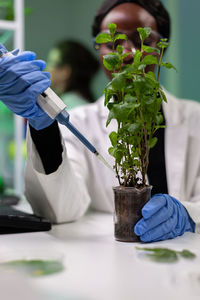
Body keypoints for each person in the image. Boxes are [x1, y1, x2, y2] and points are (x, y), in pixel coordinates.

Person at [0, 0, 199, 242]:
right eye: (113, 42)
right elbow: (60, 210)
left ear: (161, 48)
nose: (128, 53)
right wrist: (44, 128)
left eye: (142, 41)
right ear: (99, 50)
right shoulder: (81, 122)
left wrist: (188, 214)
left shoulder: (195, 119)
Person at [46, 40, 99, 110]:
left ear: (65, 71)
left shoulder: (69, 108)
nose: (46, 68)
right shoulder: (85, 105)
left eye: (51, 63)